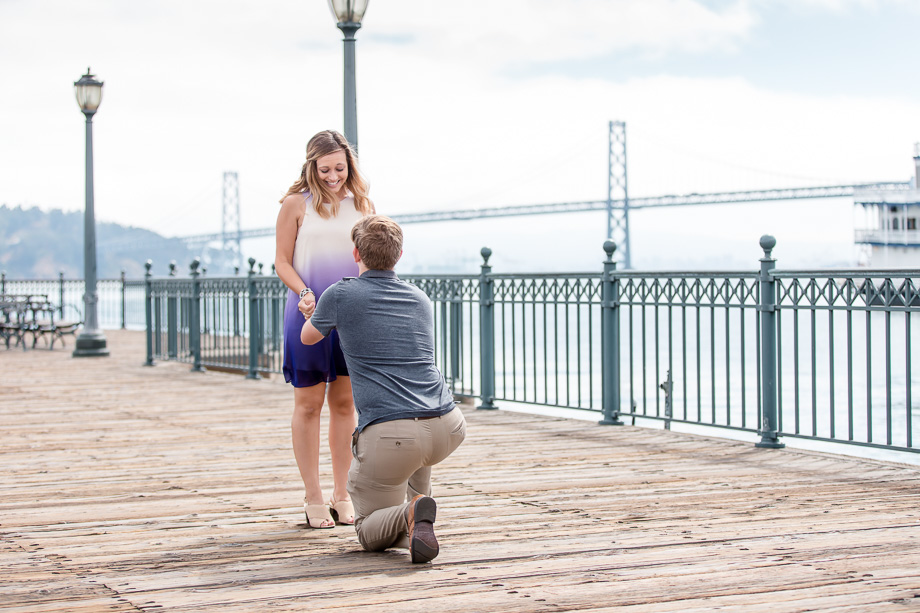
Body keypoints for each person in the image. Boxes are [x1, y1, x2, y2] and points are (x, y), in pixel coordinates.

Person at [300, 215, 466, 563]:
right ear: (400, 255)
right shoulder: (420, 298)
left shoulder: (341, 293)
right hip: (447, 424)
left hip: (392, 433)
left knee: (368, 529)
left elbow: (309, 337)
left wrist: (311, 313)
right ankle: (417, 521)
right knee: (417, 451)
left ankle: (411, 511)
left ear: (355, 253)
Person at [275, 130, 374, 529]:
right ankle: (313, 496)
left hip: (351, 315)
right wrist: (304, 292)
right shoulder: (294, 204)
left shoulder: (363, 205)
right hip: (307, 312)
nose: (333, 175)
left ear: (348, 165)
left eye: (340, 167)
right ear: (311, 166)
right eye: (325, 168)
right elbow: (282, 261)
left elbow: (369, 260)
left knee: (345, 404)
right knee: (308, 404)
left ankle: (341, 492)